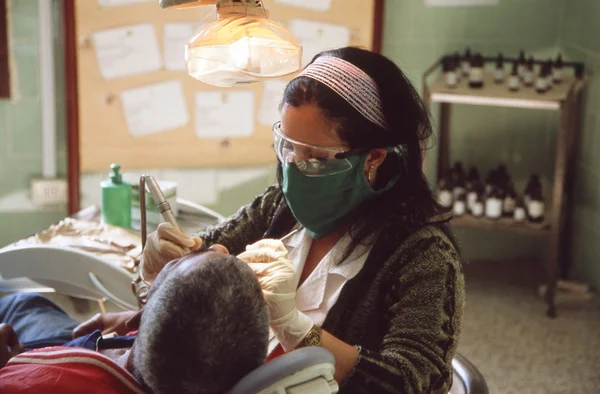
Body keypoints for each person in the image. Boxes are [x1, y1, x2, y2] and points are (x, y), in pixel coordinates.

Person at [91, 46, 466, 393]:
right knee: (35, 310)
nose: (292, 169)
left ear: (374, 159)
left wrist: (297, 329)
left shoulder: (423, 256)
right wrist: (167, 269)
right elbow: (205, 258)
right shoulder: (278, 208)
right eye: (286, 146)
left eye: (314, 157)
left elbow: (414, 382)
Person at [0, 244, 269, 394]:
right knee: (26, 303)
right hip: (100, 347)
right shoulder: (193, 372)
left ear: (142, 312)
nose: (221, 246)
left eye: (176, 264)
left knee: (16, 304)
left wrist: (8, 367)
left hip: (32, 362)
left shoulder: (25, 384)